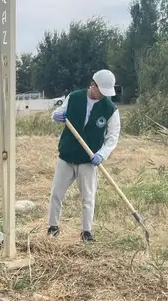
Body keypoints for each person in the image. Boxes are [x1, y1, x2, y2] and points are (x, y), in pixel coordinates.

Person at [47, 69, 120, 243]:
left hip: (89, 160)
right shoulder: (74, 97)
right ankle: (53, 227)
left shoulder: (110, 109)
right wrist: (56, 116)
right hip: (67, 155)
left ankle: (86, 232)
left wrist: (102, 154)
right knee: (56, 193)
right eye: (101, 91)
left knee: (88, 197)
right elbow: (57, 113)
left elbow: (112, 137)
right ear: (92, 86)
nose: (103, 96)